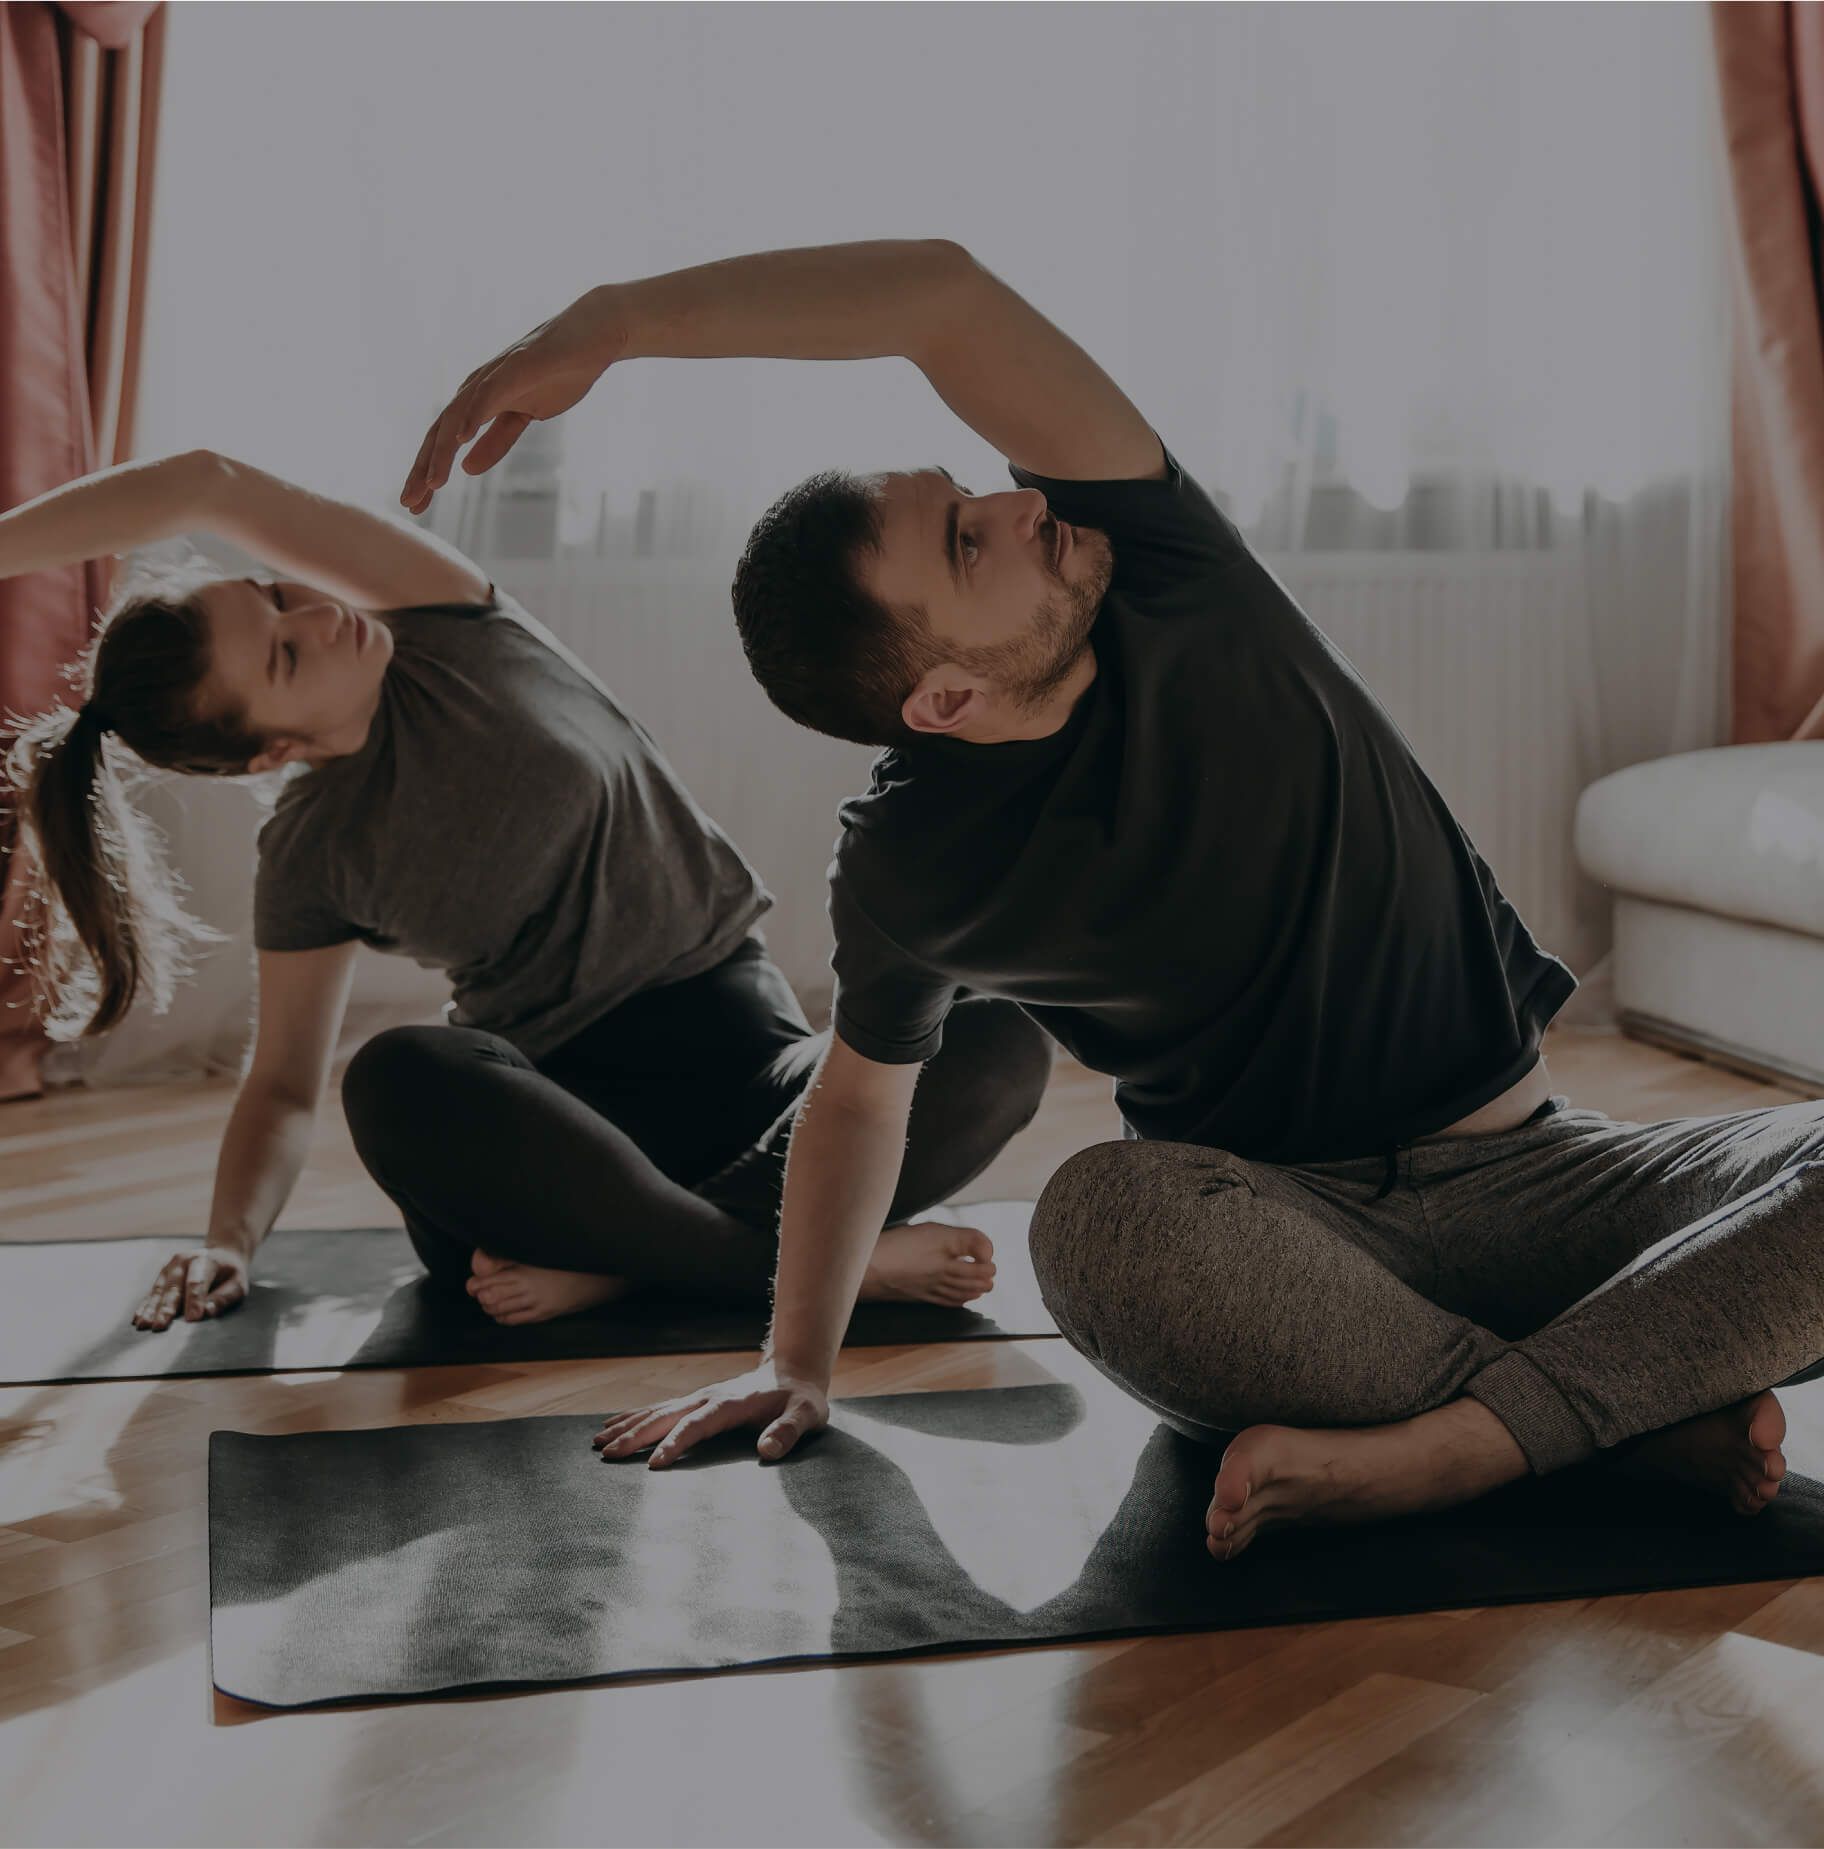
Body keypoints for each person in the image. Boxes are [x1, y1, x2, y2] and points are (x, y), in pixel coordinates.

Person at [404, 238, 1823, 1557]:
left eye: (977, 495)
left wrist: (612, 325)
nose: (1022, 502)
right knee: (1093, 1226)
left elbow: (940, 297)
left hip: (1541, 1174)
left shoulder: (1164, 571)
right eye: (968, 541)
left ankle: (1473, 1442)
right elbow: (856, 1097)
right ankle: (1609, 1402)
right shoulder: (910, 860)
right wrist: (797, 1357)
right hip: (1279, 1246)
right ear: (943, 694)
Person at [1, 447, 1051, 1333]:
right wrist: (226, 1242)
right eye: (283, 653)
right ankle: (822, 1260)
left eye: (277, 593)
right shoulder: (312, 853)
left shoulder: (446, 621)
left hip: (757, 1070)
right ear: (265, 751)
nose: (319, 613)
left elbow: (209, 481)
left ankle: (657, 1262)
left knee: (997, 1027)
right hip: (560, 1132)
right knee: (397, 1077)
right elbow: (281, 1086)